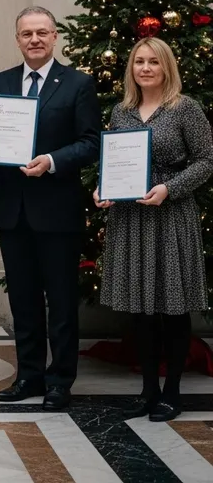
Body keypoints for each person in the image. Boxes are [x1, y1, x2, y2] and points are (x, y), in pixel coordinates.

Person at [0, 6, 101, 411]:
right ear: (17, 39)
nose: (34, 40)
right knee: (23, 299)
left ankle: (60, 380)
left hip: (58, 208)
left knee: (61, 301)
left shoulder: (78, 83)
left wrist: (51, 160)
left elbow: (90, 142)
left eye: (42, 33)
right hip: (13, 208)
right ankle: (28, 375)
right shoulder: (1, 82)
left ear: (54, 37)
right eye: (27, 33)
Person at [95, 38, 213, 422]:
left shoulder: (185, 108)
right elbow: (114, 161)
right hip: (130, 219)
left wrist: (169, 189)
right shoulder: (122, 111)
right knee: (140, 310)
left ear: (166, 67)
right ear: (131, 68)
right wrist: (103, 188)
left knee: (172, 307)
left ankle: (172, 391)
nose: (145, 68)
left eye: (153, 62)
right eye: (139, 61)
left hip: (170, 216)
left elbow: (206, 161)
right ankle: (148, 390)